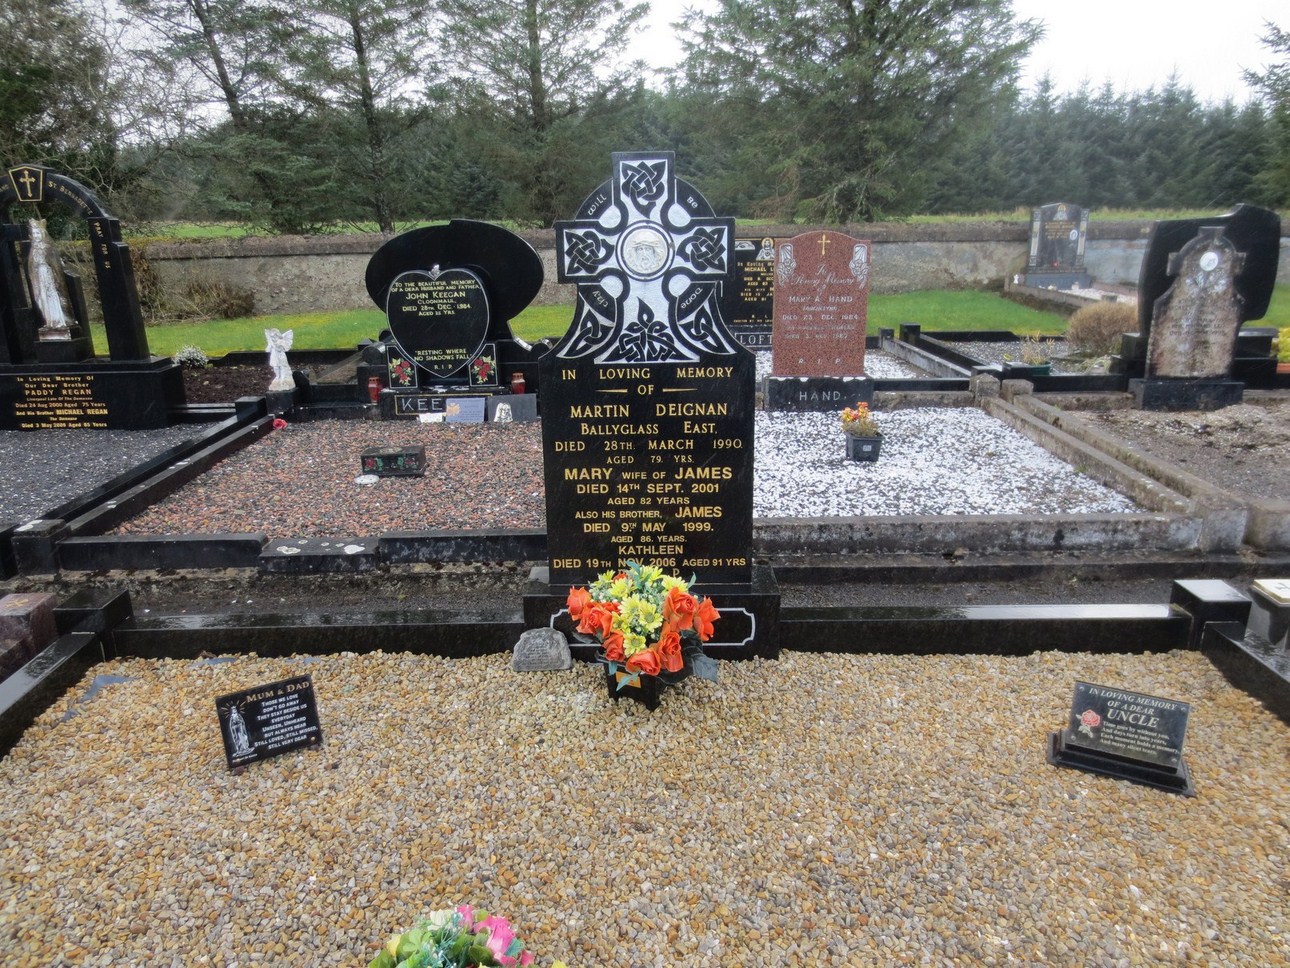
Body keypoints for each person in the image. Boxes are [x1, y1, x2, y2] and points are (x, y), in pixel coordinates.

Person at [26, 219, 70, 332]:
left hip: (46, 273)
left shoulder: (47, 247)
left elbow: (54, 264)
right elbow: (32, 265)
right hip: (38, 275)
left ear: (42, 234)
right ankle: (49, 321)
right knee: (42, 297)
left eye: (38, 233)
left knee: (51, 295)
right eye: (34, 233)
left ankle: (57, 320)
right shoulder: (33, 248)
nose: (36, 236)